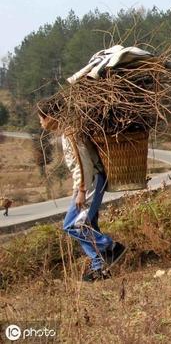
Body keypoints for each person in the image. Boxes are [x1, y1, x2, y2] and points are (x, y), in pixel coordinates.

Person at [37, 103, 126, 282]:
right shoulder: (69, 131)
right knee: (88, 225)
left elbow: (83, 163)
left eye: (41, 119)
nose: (41, 124)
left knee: (72, 225)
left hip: (91, 181)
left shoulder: (71, 133)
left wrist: (82, 190)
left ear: (51, 116)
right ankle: (99, 268)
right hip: (90, 181)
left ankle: (112, 247)